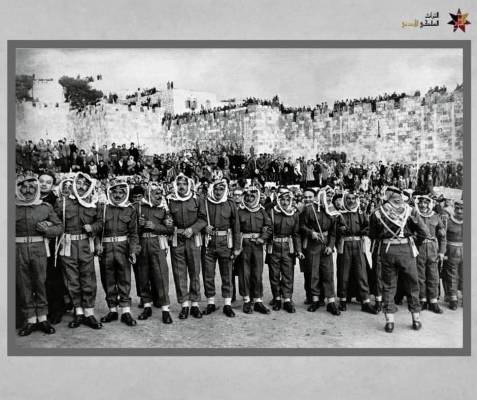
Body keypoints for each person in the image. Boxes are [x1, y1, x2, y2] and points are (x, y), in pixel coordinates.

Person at [369, 187, 429, 333]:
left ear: (387, 196)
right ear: (400, 196)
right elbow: (424, 232)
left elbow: (373, 235)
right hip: (406, 249)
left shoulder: (377, 212)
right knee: (412, 284)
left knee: (388, 285)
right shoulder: (410, 210)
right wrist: (416, 243)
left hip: (387, 250)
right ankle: (416, 319)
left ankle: (390, 322)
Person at [54, 172, 103, 330]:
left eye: (85, 185)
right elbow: (55, 222)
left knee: (88, 278)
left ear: (89, 187)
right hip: (68, 244)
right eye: (79, 183)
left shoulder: (93, 203)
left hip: (85, 244)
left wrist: (93, 227)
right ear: (74, 184)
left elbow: (101, 222)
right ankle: (79, 312)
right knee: (72, 280)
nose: (81, 187)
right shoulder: (62, 202)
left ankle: (89, 313)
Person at [16, 176, 63, 336]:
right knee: (24, 285)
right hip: (18, 250)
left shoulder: (45, 207)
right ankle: (30, 320)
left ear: (36, 190)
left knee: (40, 283)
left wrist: (47, 230)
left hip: (39, 250)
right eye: (24, 187)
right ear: (18, 188)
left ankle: (43, 318)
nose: (28, 190)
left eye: (32, 187)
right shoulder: (11, 206)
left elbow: (59, 227)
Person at [98, 182, 140, 327]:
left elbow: (133, 233)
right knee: (108, 279)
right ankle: (112, 310)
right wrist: (97, 244)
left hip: (122, 248)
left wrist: (133, 250)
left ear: (125, 194)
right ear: (109, 193)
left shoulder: (130, 209)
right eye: (114, 192)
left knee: (124, 279)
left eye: (121, 192)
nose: (117, 195)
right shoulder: (103, 208)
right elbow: (97, 230)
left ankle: (126, 311)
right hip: (106, 248)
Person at [167, 173, 207, 319]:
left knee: (195, 271)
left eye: (184, 184)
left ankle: (195, 304)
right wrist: (168, 222)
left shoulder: (197, 199)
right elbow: (167, 217)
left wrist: (193, 229)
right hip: (177, 239)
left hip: (193, 238)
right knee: (179, 272)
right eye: (179, 184)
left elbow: (203, 219)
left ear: (189, 185)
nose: (181, 187)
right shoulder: (170, 200)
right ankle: (184, 305)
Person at [201, 179, 241, 317]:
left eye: (221, 189)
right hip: (209, 243)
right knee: (208, 274)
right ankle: (210, 303)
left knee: (227, 274)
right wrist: (204, 228)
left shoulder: (230, 203)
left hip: (225, 243)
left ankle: (227, 304)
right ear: (212, 189)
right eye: (216, 189)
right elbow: (199, 220)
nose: (218, 192)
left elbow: (236, 227)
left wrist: (236, 247)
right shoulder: (205, 203)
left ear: (225, 190)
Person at [136, 183, 174, 323]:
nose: (159, 196)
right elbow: (132, 230)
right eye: (156, 193)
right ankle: (147, 306)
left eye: (160, 193)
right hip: (142, 245)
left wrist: (155, 226)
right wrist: (139, 225)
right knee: (143, 276)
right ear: (148, 194)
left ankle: (165, 309)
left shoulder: (164, 208)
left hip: (157, 244)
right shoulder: (138, 207)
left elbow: (170, 229)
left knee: (161, 276)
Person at [300, 187, 340, 316]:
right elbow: (301, 225)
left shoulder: (332, 210)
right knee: (314, 272)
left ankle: (331, 302)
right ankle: (315, 300)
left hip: (326, 244)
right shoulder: (309, 209)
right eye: (325, 196)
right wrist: (310, 232)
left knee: (328, 272)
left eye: (329, 196)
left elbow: (333, 232)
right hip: (313, 244)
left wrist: (331, 246)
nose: (327, 199)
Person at [335, 192, 378, 314]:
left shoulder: (361, 213)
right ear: (344, 200)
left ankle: (365, 301)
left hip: (359, 244)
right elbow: (334, 231)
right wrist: (340, 230)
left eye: (353, 198)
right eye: (348, 199)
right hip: (345, 244)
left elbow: (368, 227)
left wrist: (363, 231)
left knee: (362, 273)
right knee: (343, 273)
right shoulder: (339, 215)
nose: (351, 201)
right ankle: (343, 300)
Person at [267, 187, 303, 313]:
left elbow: (296, 234)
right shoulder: (272, 212)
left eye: (288, 199)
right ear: (278, 199)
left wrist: (299, 250)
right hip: (274, 247)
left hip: (288, 247)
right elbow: (267, 229)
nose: (285, 202)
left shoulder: (294, 213)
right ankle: (277, 298)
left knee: (288, 274)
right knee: (274, 274)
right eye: (282, 199)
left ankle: (287, 299)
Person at [237, 186, 272, 314]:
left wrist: (263, 238)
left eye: (252, 196)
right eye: (247, 196)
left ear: (257, 197)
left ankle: (257, 300)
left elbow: (269, 227)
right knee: (244, 273)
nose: (249, 198)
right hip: (244, 245)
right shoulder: (240, 211)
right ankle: (246, 300)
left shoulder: (262, 211)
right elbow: (235, 230)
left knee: (257, 273)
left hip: (257, 246)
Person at [414, 195, 446, 313]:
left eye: (426, 203)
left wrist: (441, 252)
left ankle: (433, 301)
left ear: (429, 204)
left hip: (433, 249)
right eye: (421, 203)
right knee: (420, 276)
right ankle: (422, 300)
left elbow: (443, 236)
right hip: (419, 248)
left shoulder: (436, 217)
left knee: (433, 276)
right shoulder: (414, 216)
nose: (423, 205)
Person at [442, 200, 463, 310]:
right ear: (454, 208)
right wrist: (443, 252)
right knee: (451, 275)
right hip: (452, 250)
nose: (459, 211)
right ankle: (453, 299)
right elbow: (443, 238)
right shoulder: (448, 221)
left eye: (462, 209)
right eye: (457, 208)